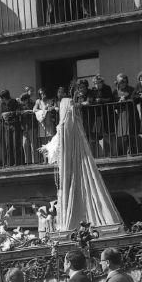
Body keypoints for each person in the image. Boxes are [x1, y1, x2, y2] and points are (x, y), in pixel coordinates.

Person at [42, 94, 122, 231]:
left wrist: (48, 149)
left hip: (71, 165)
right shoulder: (72, 125)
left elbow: (54, 149)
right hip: (74, 163)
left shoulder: (64, 127)